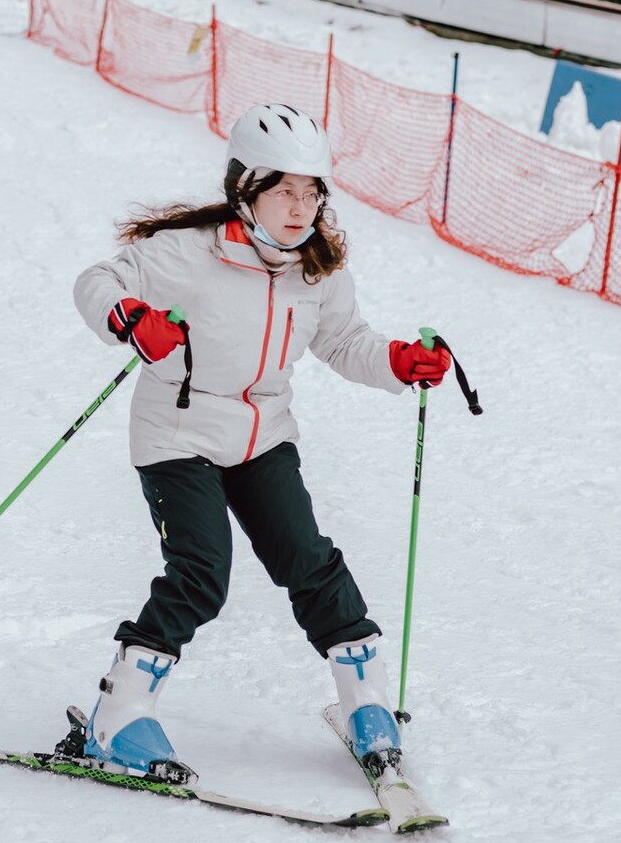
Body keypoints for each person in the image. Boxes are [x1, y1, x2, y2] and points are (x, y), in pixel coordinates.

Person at [56, 102, 451, 783]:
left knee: (309, 560)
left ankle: (366, 705)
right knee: (200, 575)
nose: (299, 208)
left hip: (263, 434)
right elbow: (98, 282)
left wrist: (393, 362)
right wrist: (130, 318)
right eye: (282, 190)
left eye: (311, 191)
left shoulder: (316, 270)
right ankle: (116, 716)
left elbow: (342, 341)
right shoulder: (184, 252)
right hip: (177, 434)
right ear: (246, 189)